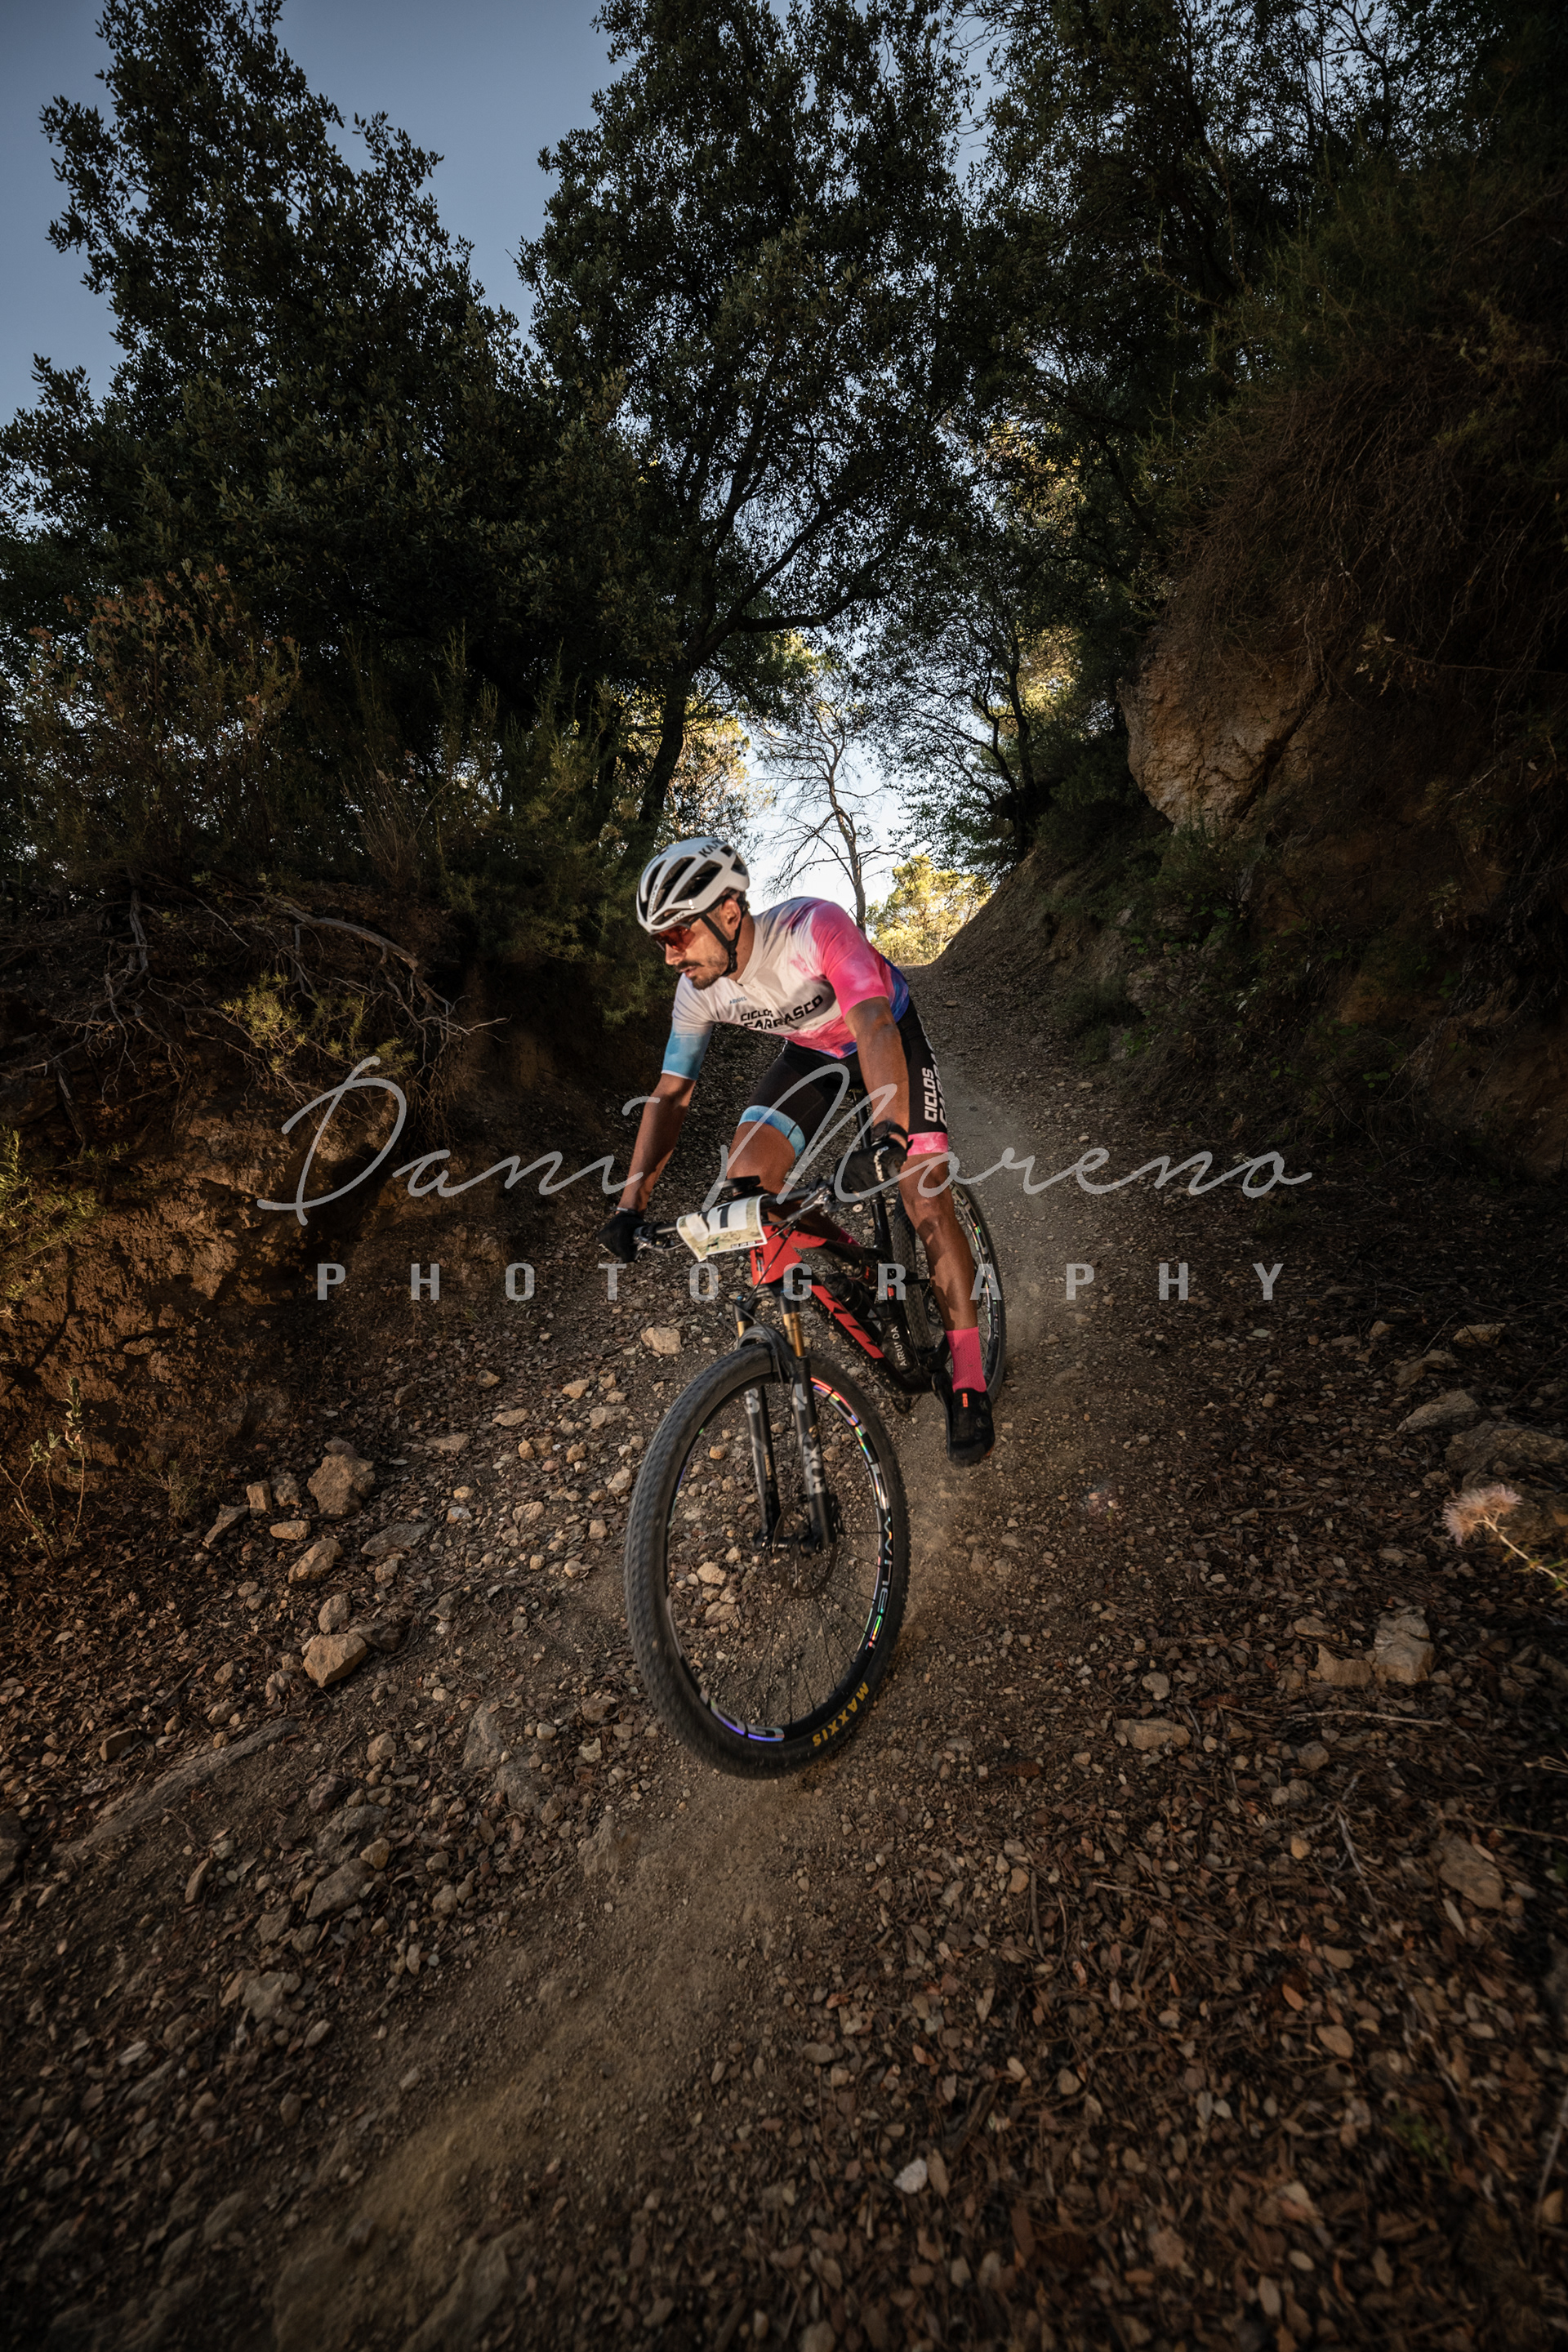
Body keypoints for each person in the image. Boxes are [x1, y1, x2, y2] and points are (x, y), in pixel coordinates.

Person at [598, 836, 993, 1465]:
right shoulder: (698, 990)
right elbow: (671, 1096)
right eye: (659, 940)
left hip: (885, 1031)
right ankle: (850, 1271)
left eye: (678, 933)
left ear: (729, 912)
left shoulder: (813, 928)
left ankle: (969, 1378)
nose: (670, 954)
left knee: (922, 1193)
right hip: (812, 1055)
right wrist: (630, 1204)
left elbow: (873, 1025)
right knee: (746, 1184)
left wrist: (890, 1134)